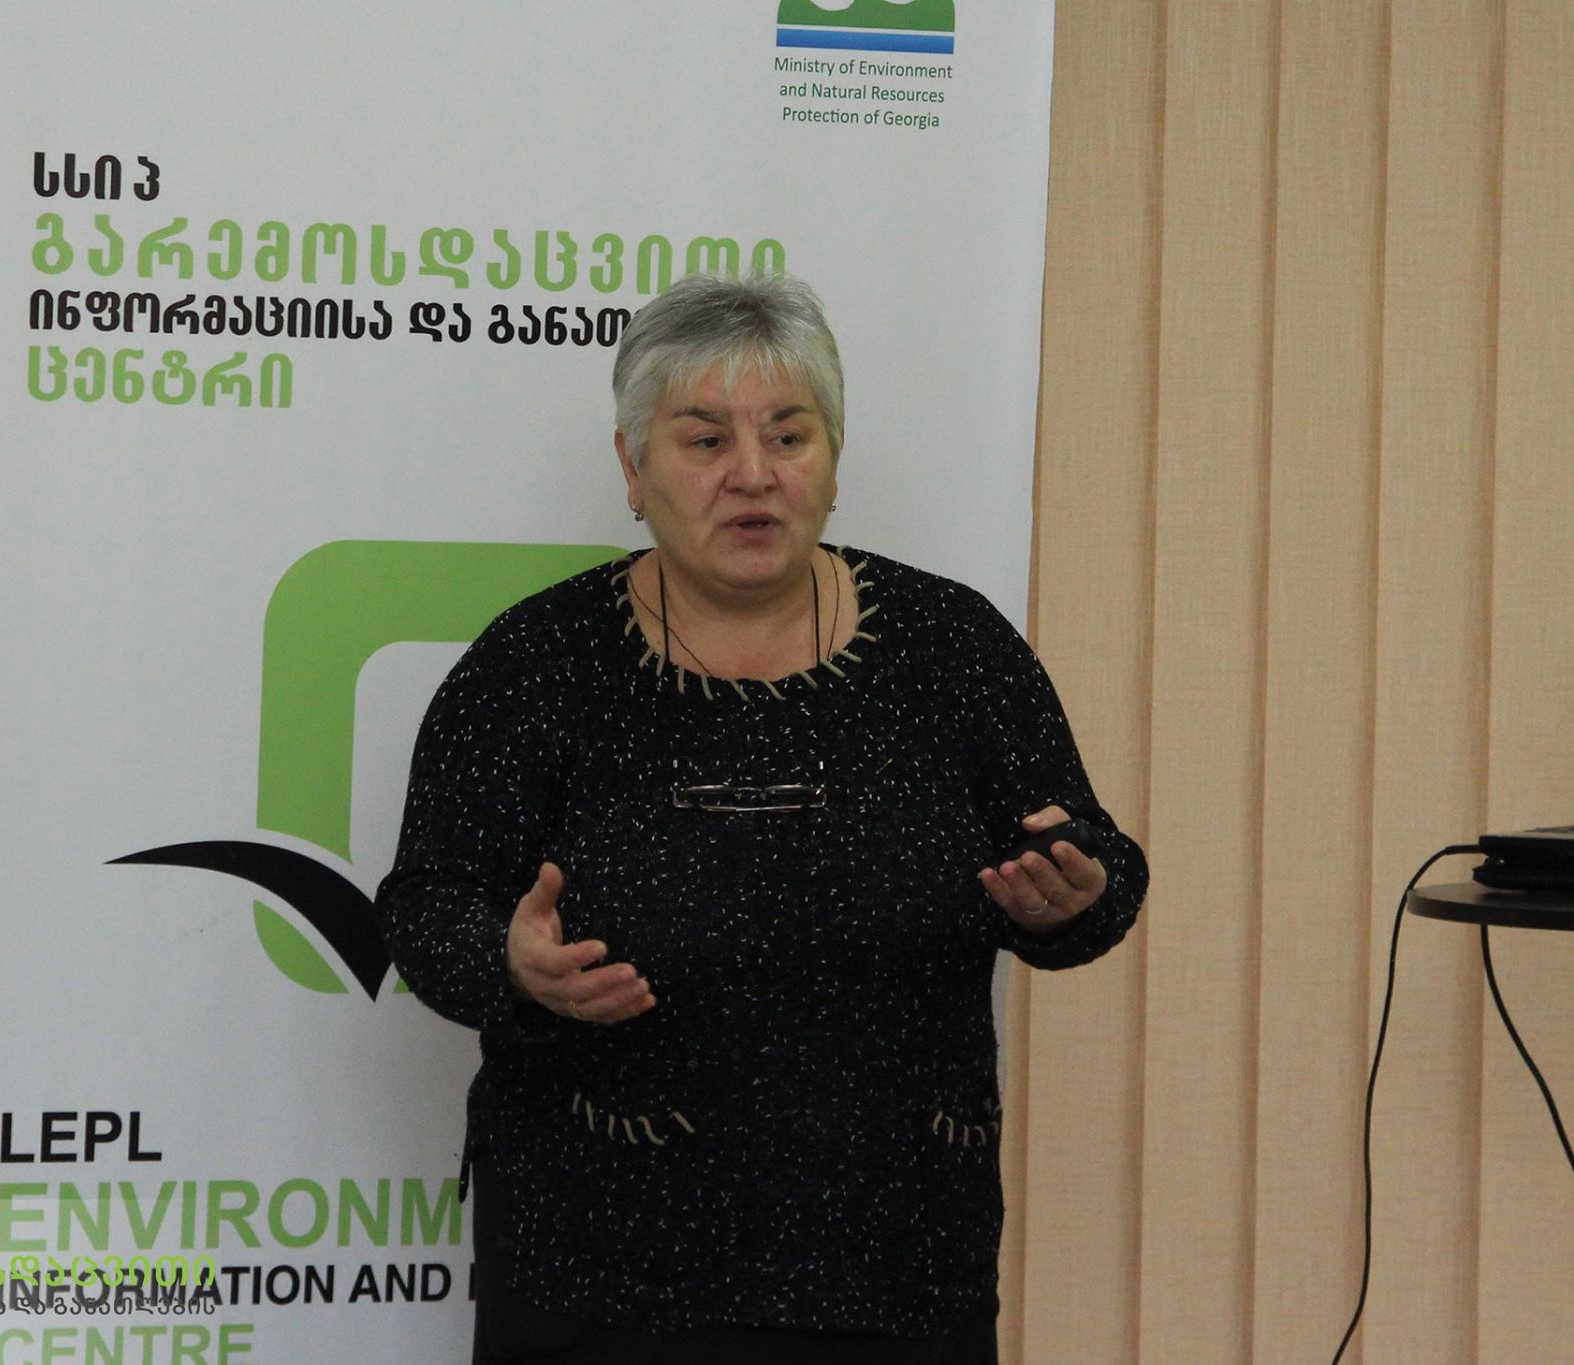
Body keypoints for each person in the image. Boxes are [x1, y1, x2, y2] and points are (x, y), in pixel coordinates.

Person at [376, 273, 1147, 1364]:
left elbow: (1087, 865)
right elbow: (426, 905)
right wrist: (509, 962)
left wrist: (1072, 897)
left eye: (788, 435)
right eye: (704, 440)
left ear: (832, 458)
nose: (753, 473)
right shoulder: (536, 665)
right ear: (632, 467)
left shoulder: (953, 649)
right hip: (596, 1267)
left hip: (894, 1264)